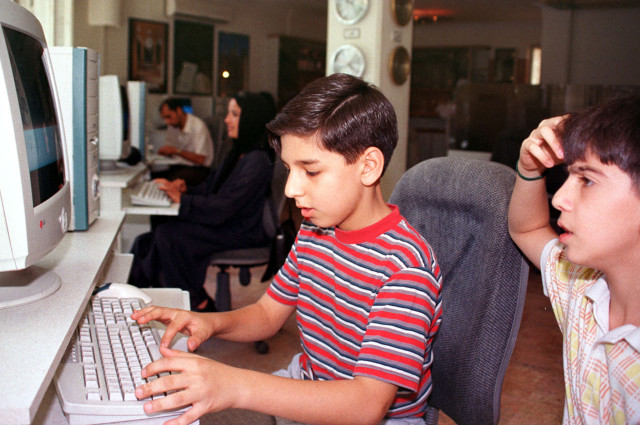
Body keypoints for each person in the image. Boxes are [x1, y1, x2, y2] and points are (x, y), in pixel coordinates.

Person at [130, 73, 442, 425]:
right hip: (305, 388)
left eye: (310, 171)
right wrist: (209, 322)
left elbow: (366, 406)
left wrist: (234, 384)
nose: (292, 189)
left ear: (368, 167)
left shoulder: (405, 267)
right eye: (289, 169)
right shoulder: (315, 231)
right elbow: (266, 315)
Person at [508, 94, 640, 424]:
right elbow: (528, 228)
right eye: (569, 176)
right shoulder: (582, 288)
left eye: (588, 180)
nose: (561, 198)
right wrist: (529, 169)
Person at [128, 91, 276, 312]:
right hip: (228, 220)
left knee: (167, 236)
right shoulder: (239, 151)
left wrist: (184, 201)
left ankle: (198, 302)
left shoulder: (258, 160)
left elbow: (224, 207)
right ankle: (133, 301)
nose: (227, 119)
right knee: (145, 242)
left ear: (250, 119)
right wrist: (186, 189)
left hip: (241, 230)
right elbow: (213, 187)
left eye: (234, 114)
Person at [154, 98, 215, 185]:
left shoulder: (198, 126)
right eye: (164, 118)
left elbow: (201, 159)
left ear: (179, 111)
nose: (167, 122)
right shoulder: (172, 126)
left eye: (168, 117)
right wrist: (166, 151)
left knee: (168, 181)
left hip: (199, 170)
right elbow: (171, 148)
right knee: (152, 177)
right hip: (180, 167)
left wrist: (176, 151)